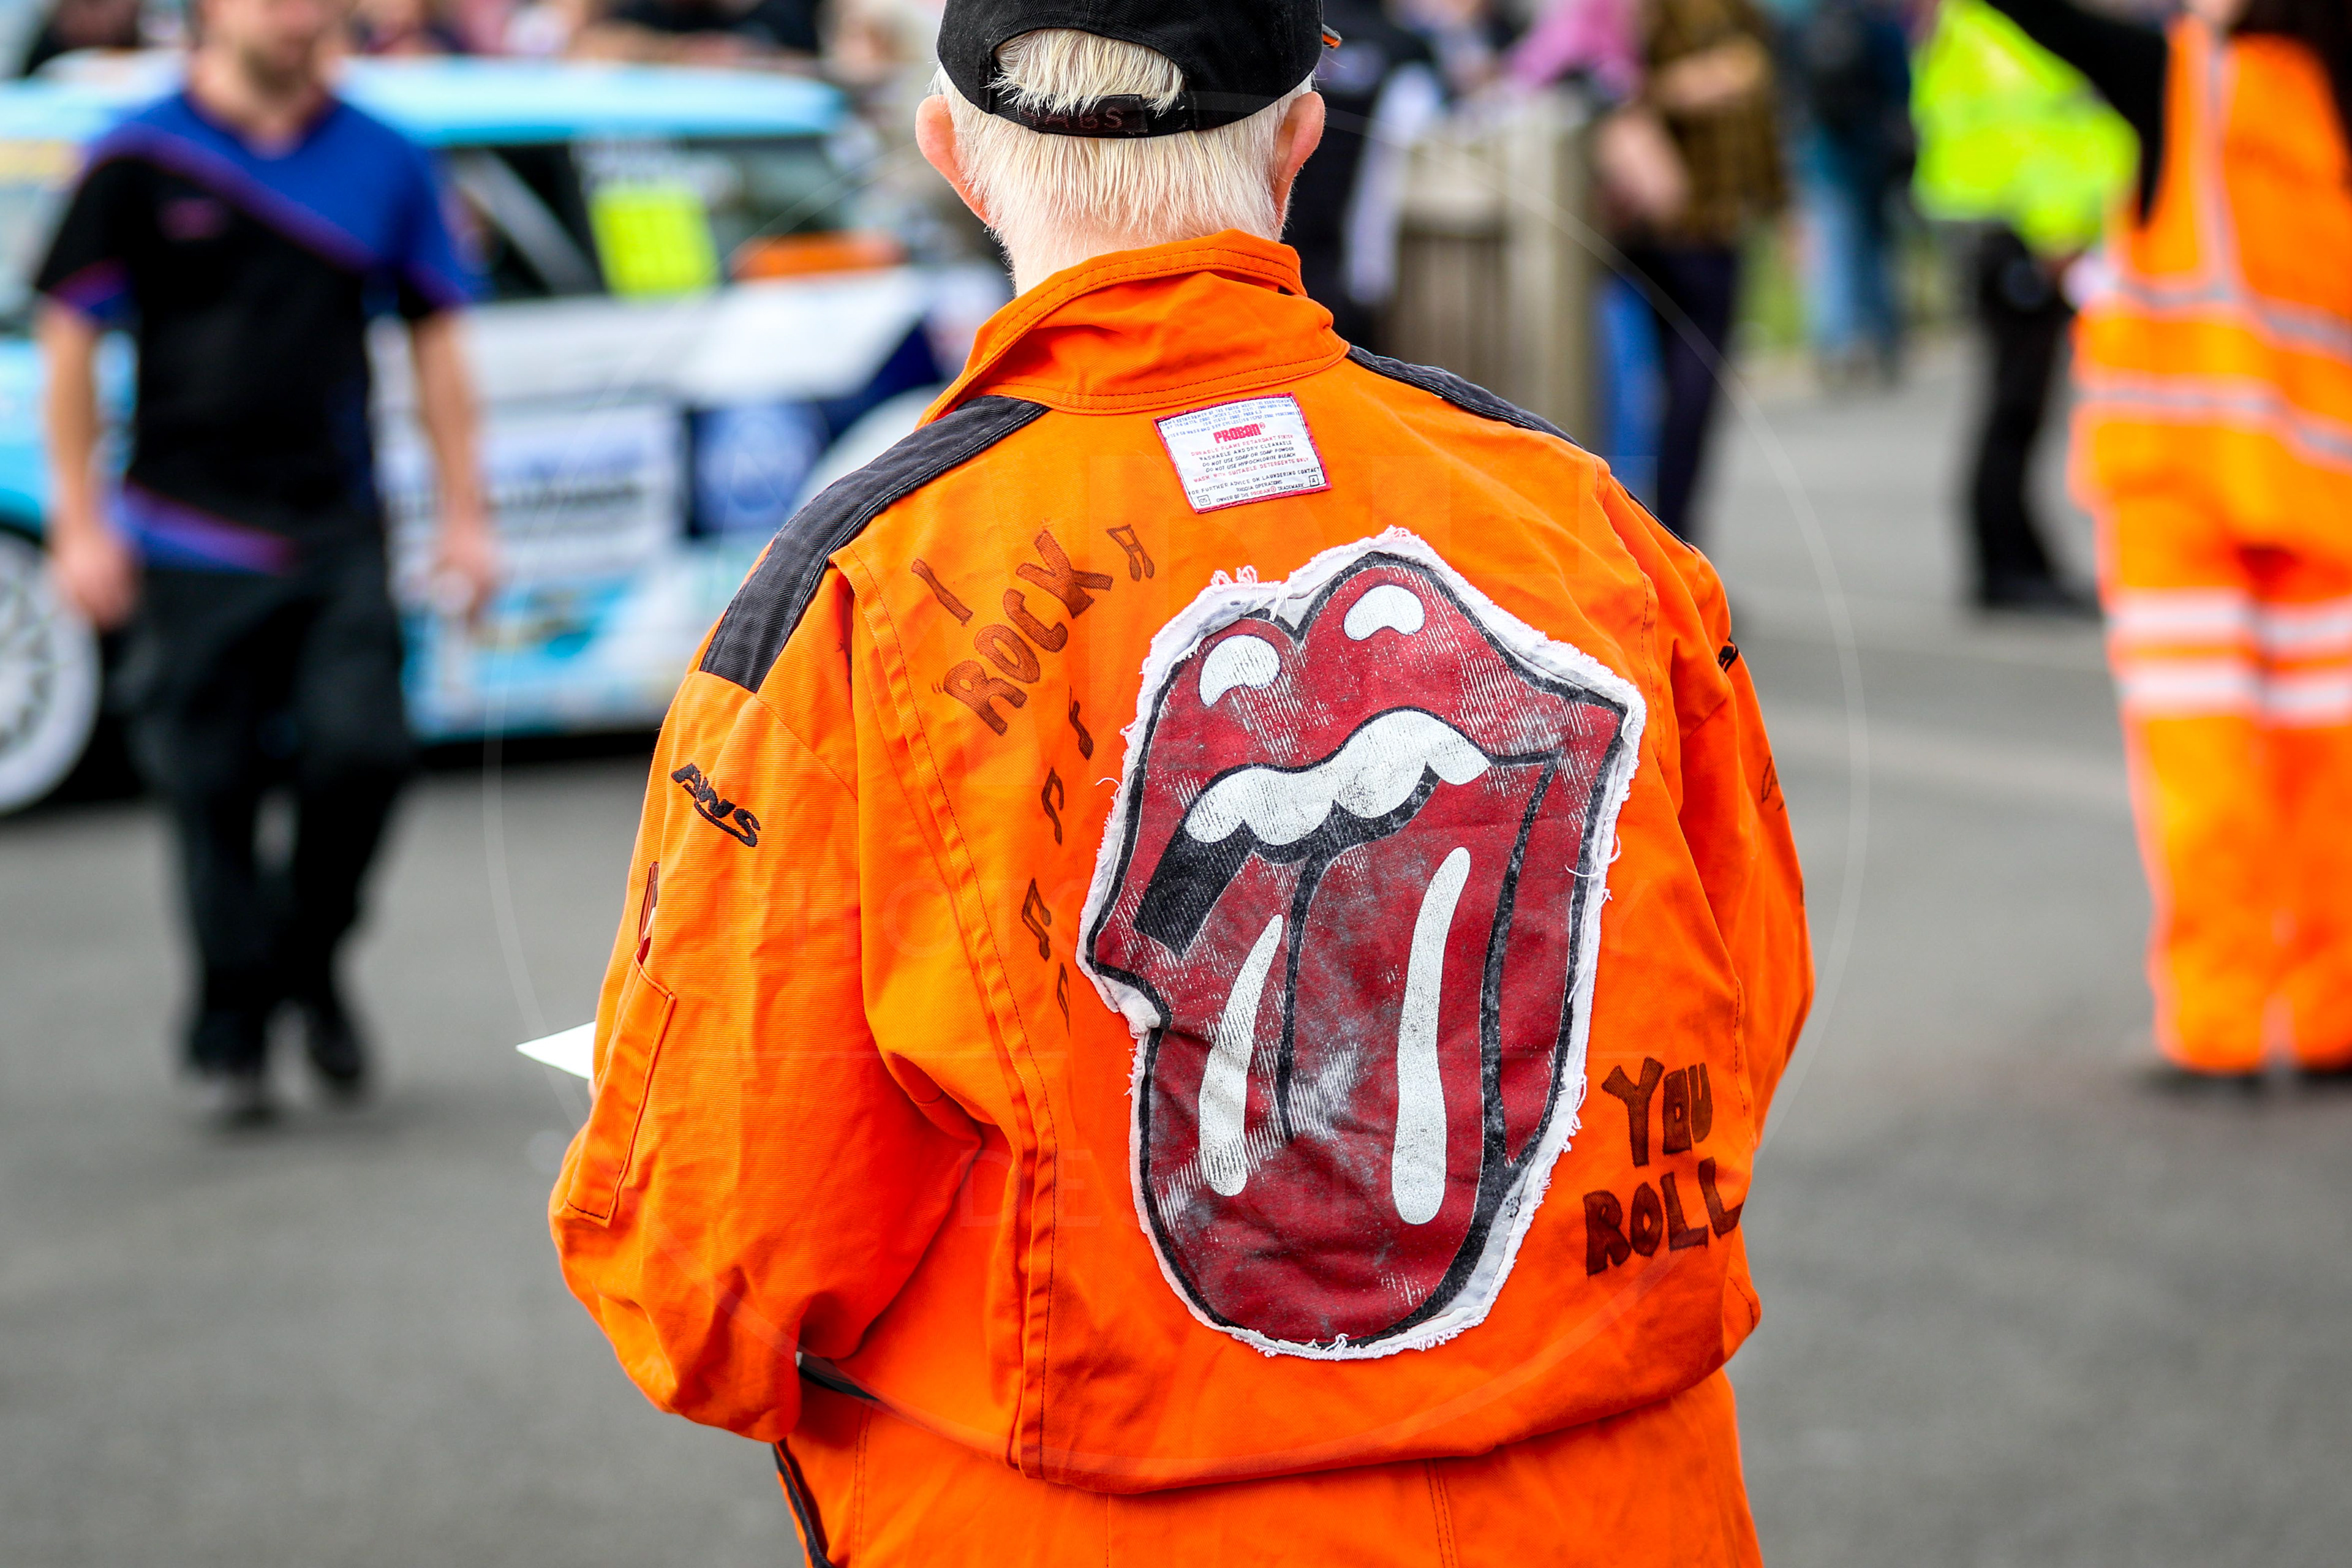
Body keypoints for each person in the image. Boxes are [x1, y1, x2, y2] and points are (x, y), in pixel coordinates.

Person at [549, 0, 1811, 1561]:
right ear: (1298, 141)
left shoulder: (861, 592)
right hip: (1614, 1506)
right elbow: (1733, 1004)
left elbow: (714, 1259)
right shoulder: (1578, 521)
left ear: (953, 158)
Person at [35, 0, 492, 1120]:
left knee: (363, 758)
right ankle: (236, 1033)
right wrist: (79, 524)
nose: (299, 13)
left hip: (338, 527)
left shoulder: (384, 158)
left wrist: (466, 516)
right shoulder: (137, 155)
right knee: (212, 792)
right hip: (185, 532)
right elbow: (70, 340)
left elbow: (437, 338)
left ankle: (305, 962)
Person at [1986, 0, 2352, 1077]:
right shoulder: (2332, 96)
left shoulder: (2180, 78)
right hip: (2322, 492)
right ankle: (2333, 1015)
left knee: (2202, 769)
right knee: (2326, 770)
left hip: (2178, 485)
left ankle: (2220, 1027)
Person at [1909, 0, 2131, 612]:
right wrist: (2057, 227)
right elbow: (2026, 134)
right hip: (2025, 234)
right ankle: (2006, 565)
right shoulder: (2005, 23)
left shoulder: (1976, 21)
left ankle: (2019, 557)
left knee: (2018, 406)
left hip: (2013, 229)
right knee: (2014, 405)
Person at [1617, 0, 1785, 543]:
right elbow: (1607, 78)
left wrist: (1780, 208)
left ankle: (1677, 545)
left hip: (1716, 227)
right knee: (1641, 397)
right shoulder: (1648, 14)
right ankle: (1655, 544)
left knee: (1696, 399)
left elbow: (1761, 123)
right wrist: (1694, 83)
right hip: (1651, 228)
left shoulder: (1742, 16)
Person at [570, 0, 820, 67]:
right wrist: (682, 52)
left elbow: (815, 64)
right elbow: (590, 47)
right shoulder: (648, 12)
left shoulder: (778, 14)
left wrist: (750, 57)